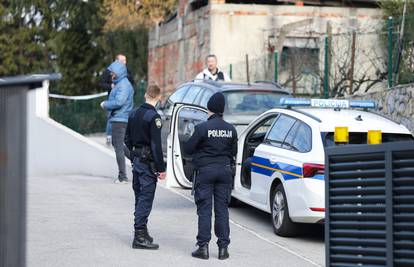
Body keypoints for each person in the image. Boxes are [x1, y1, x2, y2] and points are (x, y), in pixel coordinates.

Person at [184, 92, 238, 260]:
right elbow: (233, 152)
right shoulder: (231, 129)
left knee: (205, 210)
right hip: (224, 172)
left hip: (205, 172)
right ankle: (223, 249)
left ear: (209, 108)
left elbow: (188, 149)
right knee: (222, 210)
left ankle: (203, 247)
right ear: (222, 109)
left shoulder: (201, 128)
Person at [124, 84, 166, 250]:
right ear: (158, 97)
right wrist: (161, 168)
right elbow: (156, 146)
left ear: (145, 96)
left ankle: (143, 231)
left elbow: (126, 140)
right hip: (147, 163)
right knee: (145, 199)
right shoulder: (153, 117)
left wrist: (134, 156)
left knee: (140, 197)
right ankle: (139, 236)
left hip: (136, 162)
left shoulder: (133, 113)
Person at [100, 59, 134, 184]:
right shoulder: (121, 83)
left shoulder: (123, 85)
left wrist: (105, 104)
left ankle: (123, 176)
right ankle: (136, 162)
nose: (111, 75)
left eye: (113, 73)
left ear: (119, 72)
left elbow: (119, 102)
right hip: (119, 118)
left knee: (119, 147)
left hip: (120, 119)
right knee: (118, 145)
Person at [99, 54, 136, 145]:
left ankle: (125, 138)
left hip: (125, 99)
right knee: (111, 116)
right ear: (116, 61)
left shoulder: (127, 71)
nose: (125, 62)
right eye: (122, 60)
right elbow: (101, 83)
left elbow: (133, 83)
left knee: (125, 117)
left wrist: (131, 91)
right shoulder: (109, 71)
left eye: (125, 60)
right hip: (112, 98)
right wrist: (110, 86)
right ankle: (109, 136)